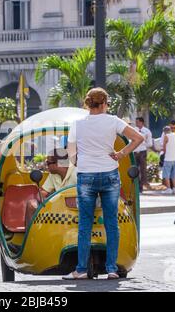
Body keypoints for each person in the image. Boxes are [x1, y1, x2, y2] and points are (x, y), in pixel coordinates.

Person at [64, 88, 143, 280]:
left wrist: (78, 162)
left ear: (88, 103)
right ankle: (111, 269)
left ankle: (81, 270)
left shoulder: (77, 124)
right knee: (111, 223)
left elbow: (71, 150)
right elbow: (138, 138)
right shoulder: (113, 121)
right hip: (109, 173)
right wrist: (121, 154)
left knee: (84, 224)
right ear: (105, 103)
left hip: (86, 175)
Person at [25, 148, 77, 229]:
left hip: (75, 211)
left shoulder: (77, 174)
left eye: (48, 163)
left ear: (58, 164)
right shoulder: (53, 174)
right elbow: (43, 191)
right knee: (31, 204)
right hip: (58, 209)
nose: (46, 165)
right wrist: (42, 198)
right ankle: (31, 235)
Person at [133, 117, 152, 193]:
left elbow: (150, 143)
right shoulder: (134, 130)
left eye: (138, 122)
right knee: (134, 169)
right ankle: (136, 186)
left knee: (142, 169)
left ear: (142, 122)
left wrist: (143, 144)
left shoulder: (147, 131)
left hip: (142, 152)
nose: (137, 124)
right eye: (136, 122)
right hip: (134, 151)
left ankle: (141, 187)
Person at [161, 126, 175, 194]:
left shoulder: (166, 136)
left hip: (168, 158)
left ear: (164, 132)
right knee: (174, 174)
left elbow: (164, 148)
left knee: (166, 175)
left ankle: (169, 189)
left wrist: (164, 153)